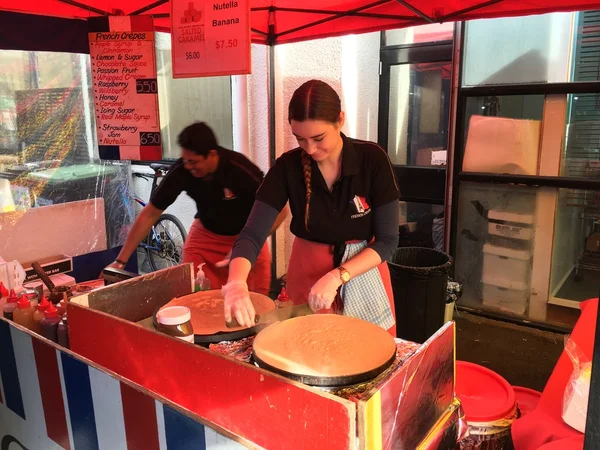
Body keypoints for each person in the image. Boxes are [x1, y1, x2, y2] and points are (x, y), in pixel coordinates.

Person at [222, 80, 400, 335]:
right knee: (311, 351)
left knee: (369, 354)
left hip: (362, 270)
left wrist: (338, 275)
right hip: (307, 272)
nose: (310, 149)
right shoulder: (288, 167)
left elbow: (387, 241)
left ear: (340, 120)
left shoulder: (372, 159)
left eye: (318, 138)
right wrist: (236, 282)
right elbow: (252, 234)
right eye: (300, 139)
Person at [105, 122, 287, 295]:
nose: (189, 166)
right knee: (191, 289)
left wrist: (250, 243)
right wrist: (120, 262)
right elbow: (150, 214)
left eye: (194, 161)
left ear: (213, 155)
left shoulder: (238, 169)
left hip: (245, 236)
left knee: (257, 297)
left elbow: (281, 210)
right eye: (185, 160)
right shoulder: (182, 170)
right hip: (205, 236)